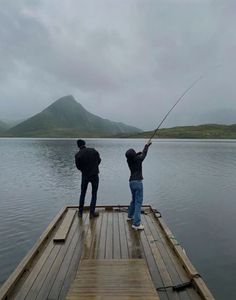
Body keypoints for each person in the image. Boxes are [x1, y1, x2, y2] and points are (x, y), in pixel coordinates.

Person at [125, 141, 152, 230]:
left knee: (133, 200)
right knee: (138, 203)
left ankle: (130, 216)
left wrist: (139, 152)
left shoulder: (129, 160)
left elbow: (137, 155)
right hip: (138, 183)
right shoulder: (138, 160)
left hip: (131, 182)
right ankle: (136, 224)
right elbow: (144, 155)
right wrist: (147, 145)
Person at [75, 139, 101, 218]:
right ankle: (91, 213)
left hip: (85, 176)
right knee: (94, 194)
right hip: (94, 175)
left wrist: (84, 170)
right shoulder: (93, 151)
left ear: (78, 146)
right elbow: (99, 160)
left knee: (83, 193)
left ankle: (80, 212)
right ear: (84, 144)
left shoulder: (78, 154)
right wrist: (94, 167)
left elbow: (78, 167)